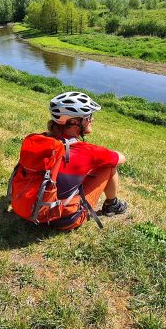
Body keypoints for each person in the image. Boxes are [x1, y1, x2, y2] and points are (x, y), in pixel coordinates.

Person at [47, 91, 127, 230]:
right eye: (89, 116)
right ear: (75, 122)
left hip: (32, 208)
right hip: (63, 219)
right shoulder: (85, 150)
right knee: (108, 167)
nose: (92, 120)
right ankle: (112, 205)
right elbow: (121, 158)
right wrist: (99, 158)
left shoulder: (43, 140)